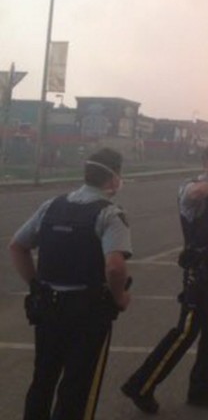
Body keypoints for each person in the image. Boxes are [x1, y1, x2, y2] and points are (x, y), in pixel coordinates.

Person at [8, 148, 133, 420]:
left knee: (43, 378)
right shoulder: (110, 214)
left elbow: (18, 246)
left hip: (48, 308)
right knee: (77, 385)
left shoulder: (52, 205)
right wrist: (119, 297)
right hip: (87, 311)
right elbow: (115, 266)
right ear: (113, 177)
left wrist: (36, 285)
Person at [121, 144, 208, 414]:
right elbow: (195, 194)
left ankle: (201, 388)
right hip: (202, 274)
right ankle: (141, 385)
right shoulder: (192, 188)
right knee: (186, 332)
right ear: (206, 163)